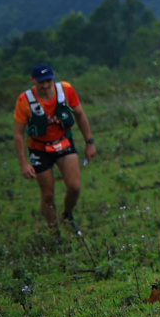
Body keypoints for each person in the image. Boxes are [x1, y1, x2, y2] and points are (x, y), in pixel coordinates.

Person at [13, 63, 96, 235]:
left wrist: (89, 142)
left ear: (54, 77)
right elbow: (18, 134)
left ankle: (67, 216)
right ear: (33, 80)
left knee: (74, 187)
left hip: (64, 143)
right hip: (39, 149)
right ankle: (54, 231)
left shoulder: (66, 90)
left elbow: (80, 114)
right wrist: (23, 163)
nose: (45, 85)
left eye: (48, 81)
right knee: (48, 195)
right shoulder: (24, 100)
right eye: (41, 82)